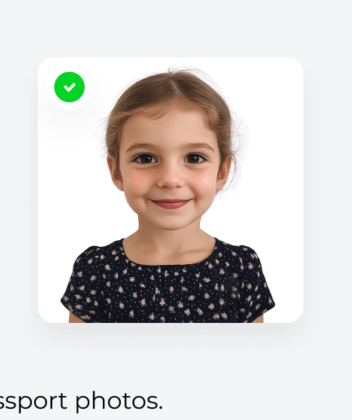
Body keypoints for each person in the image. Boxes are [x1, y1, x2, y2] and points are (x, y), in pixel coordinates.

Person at [61, 70, 274, 323]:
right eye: (145, 158)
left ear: (222, 172)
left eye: (194, 158)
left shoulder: (241, 268)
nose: (170, 179)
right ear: (117, 171)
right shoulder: (95, 270)